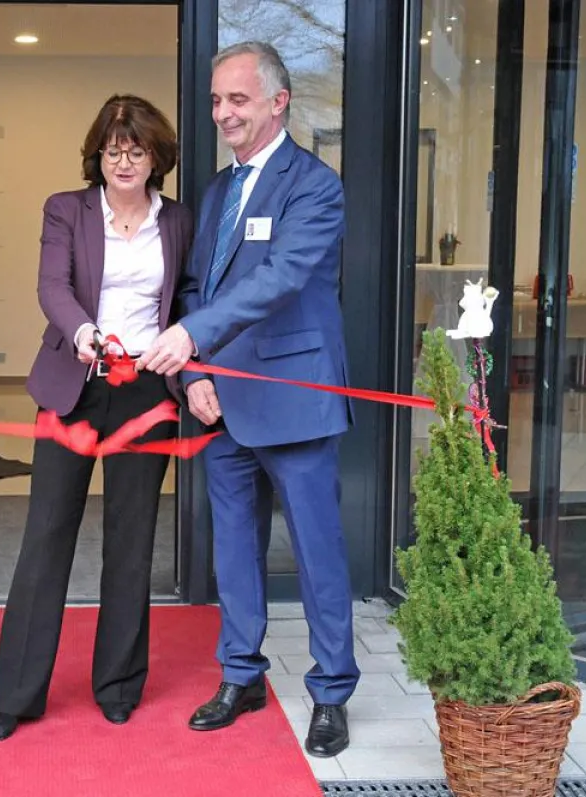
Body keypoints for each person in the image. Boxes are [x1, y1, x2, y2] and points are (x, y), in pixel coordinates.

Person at [139, 41, 358, 757]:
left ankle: (331, 691)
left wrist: (188, 334)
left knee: (318, 552)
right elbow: (199, 285)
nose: (223, 113)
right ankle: (242, 674)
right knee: (234, 550)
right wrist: (194, 372)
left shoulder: (314, 186)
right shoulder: (217, 191)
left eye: (237, 99)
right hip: (219, 403)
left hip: (293, 400)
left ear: (277, 102)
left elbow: (284, 278)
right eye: (215, 100)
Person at [0, 94, 193, 742]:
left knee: (131, 541)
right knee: (47, 532)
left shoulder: (179, 221)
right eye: (112, 149)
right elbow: (53, 286)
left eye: (135, 149)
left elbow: (185, 295)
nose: (123, 160)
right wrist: (80, 332)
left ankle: (119, 684)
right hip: (74, 382)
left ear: (156, 155)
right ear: (96, 155)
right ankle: (15, 694)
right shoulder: (67, 210)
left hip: (147, 391)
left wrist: (188, 349)